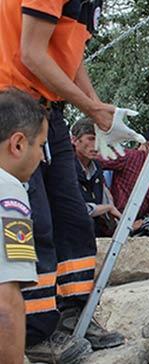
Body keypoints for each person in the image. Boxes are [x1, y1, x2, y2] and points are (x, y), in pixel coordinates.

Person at [1, 0, 143, 358]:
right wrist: (93, 108)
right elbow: (32, 54)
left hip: (48, 107)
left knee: (72, 215)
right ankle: (34, 334)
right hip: (12, 104)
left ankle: (74, 314)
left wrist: (99, 112)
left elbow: (67, 53)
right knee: (34, 223)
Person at [0, 89, 47, 364]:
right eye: (41, 145)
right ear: (18, 144)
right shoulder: (8, 189)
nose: (43, 157)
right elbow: (5, 304)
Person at [100, 125, 149, 226]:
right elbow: (95, 162)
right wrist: (104, 191)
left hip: (139, 228)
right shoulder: (130, 157)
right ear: (148, 145)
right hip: (111, 222)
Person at [71, 119, 121, 237]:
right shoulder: (65, 168)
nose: (96, 144)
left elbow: (105, 197)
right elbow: (75, 208)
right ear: (74, 140)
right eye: (91, 138)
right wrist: (107, 208)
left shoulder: (97, 168)